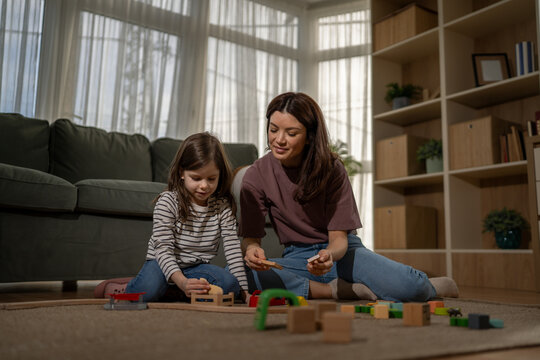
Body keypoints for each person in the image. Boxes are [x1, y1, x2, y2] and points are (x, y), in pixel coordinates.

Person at [239, 92, 458, 302]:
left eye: (292, 133)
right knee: (239, 274)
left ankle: (432, 286)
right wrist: (252, 250)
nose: (279, 140)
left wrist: (329, 256)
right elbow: (251, 238)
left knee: (412, 288)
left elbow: (339, 240)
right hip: (298, 258)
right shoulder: (256, 175)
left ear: (309, 136)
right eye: (273, 129)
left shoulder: (332, 169)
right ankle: (334, 290)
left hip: (343, 255)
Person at [95, 132, 248, 302]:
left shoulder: (222, 206)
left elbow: (233, 250)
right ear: (182, 173)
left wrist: (244, 292)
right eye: (196, 178)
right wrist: (182, 282)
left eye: (211, 179)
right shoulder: (168, 201)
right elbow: (163, 249)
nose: (204, 186)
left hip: (196, 267)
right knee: (148, 290)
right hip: (161, 263)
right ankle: (126, 288)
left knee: (230, 285)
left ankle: (170, 291)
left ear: (220, 175)